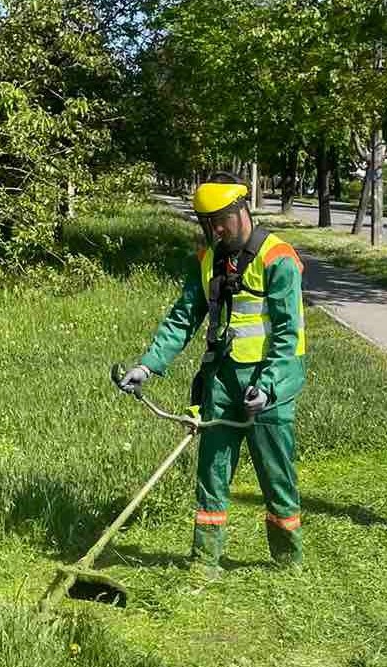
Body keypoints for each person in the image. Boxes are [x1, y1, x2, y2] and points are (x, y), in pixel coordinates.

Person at [118, 172, 307, 574]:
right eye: (208, 222)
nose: (216, 228)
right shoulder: (208, 261)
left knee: (276, 474)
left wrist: (269, 387)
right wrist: (147, 365)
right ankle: (204, 564)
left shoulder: (279, 260)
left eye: (222, 218)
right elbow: (182, 319)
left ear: (243, 209)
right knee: (212, 473)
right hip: (221, 382)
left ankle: (288, 563)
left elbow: (289, 334)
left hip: (269, 385)